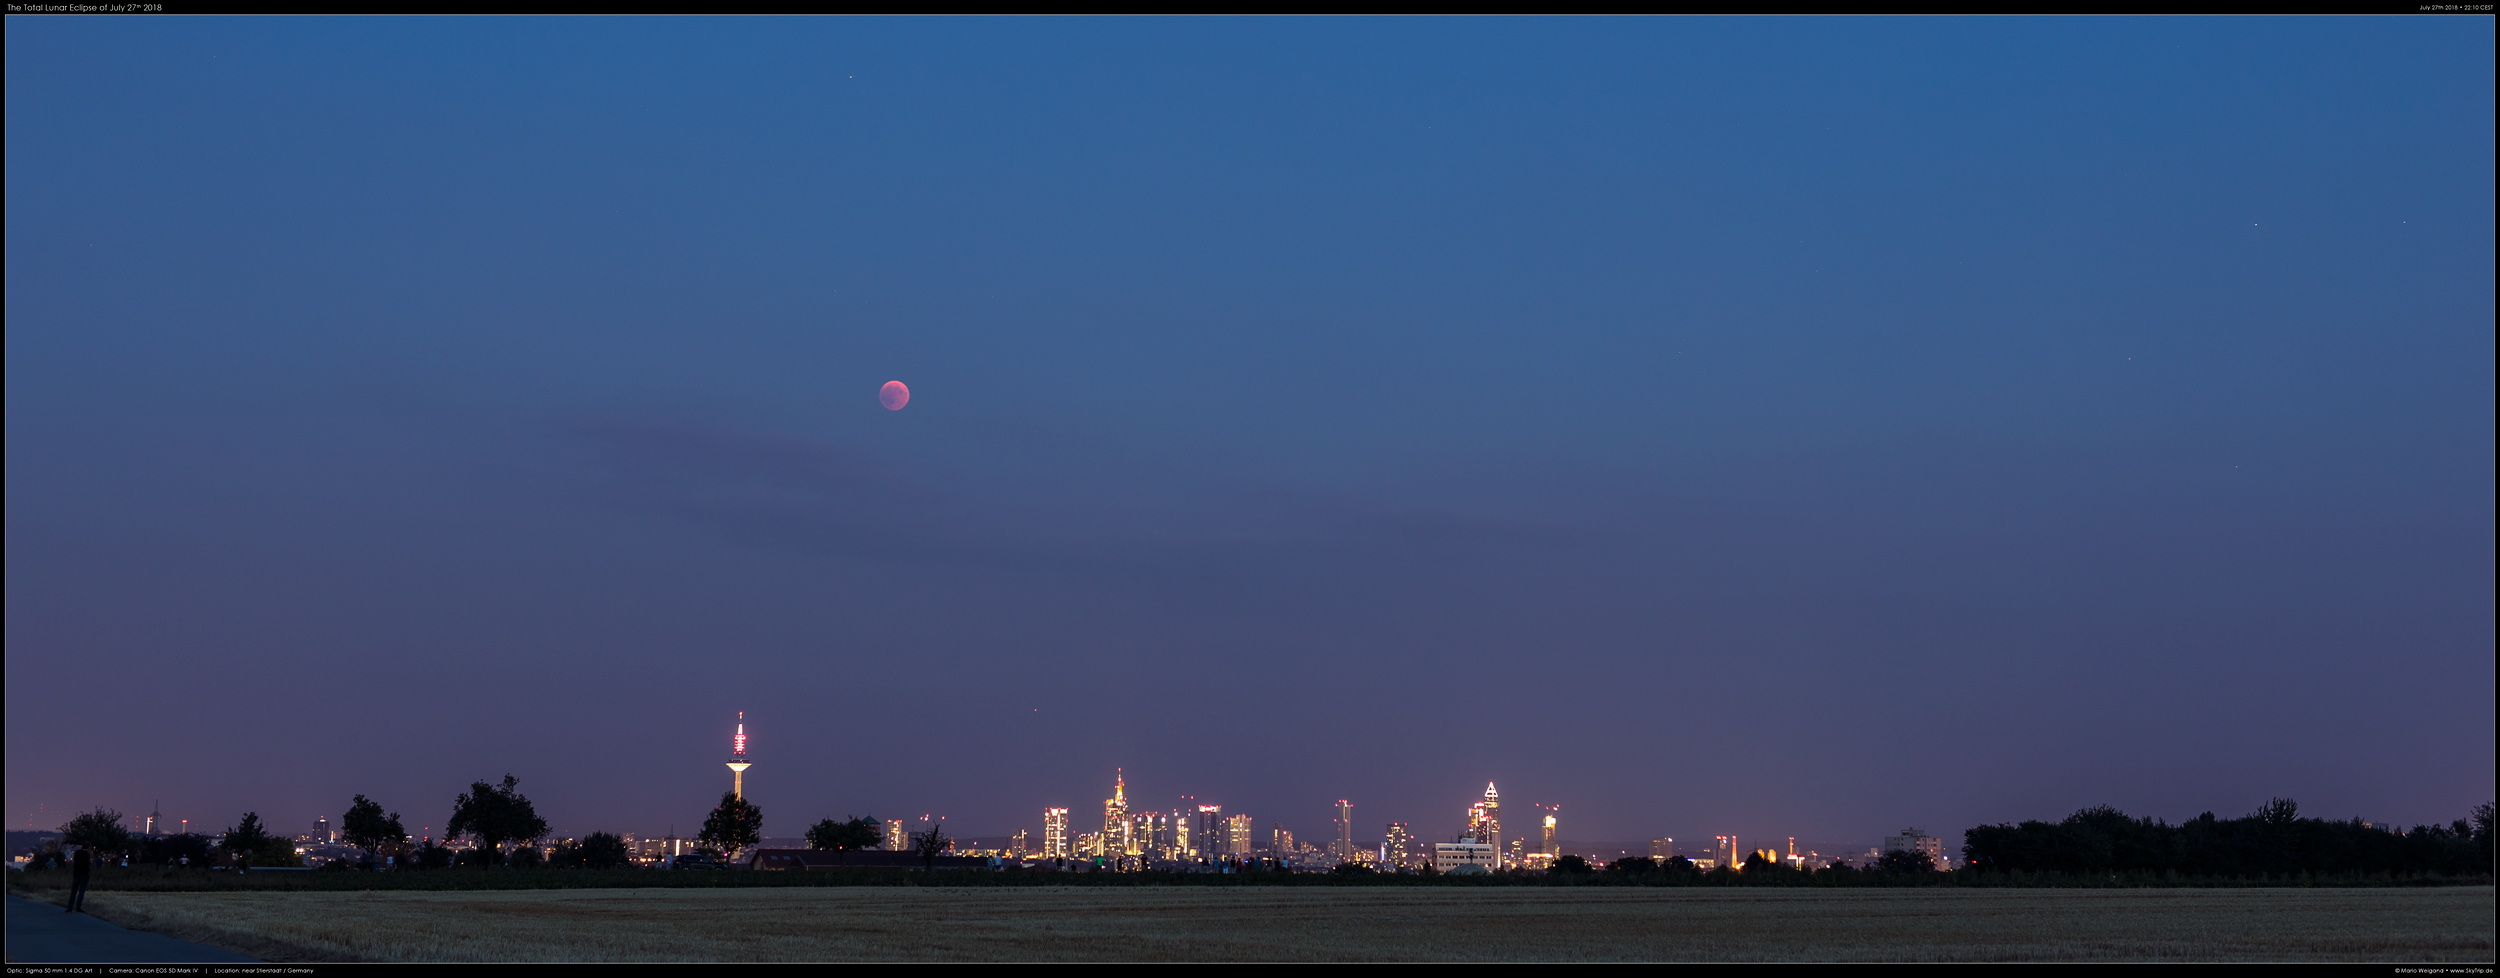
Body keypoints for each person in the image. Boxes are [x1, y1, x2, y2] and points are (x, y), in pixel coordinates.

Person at [66, 848, 91, 913]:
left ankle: (70, 907)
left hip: (76, 874)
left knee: (73, 891)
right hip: (84, 874)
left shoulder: (76, 853)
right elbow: (88, 863)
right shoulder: (86, 854)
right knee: (81, 892)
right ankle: (78, 907)